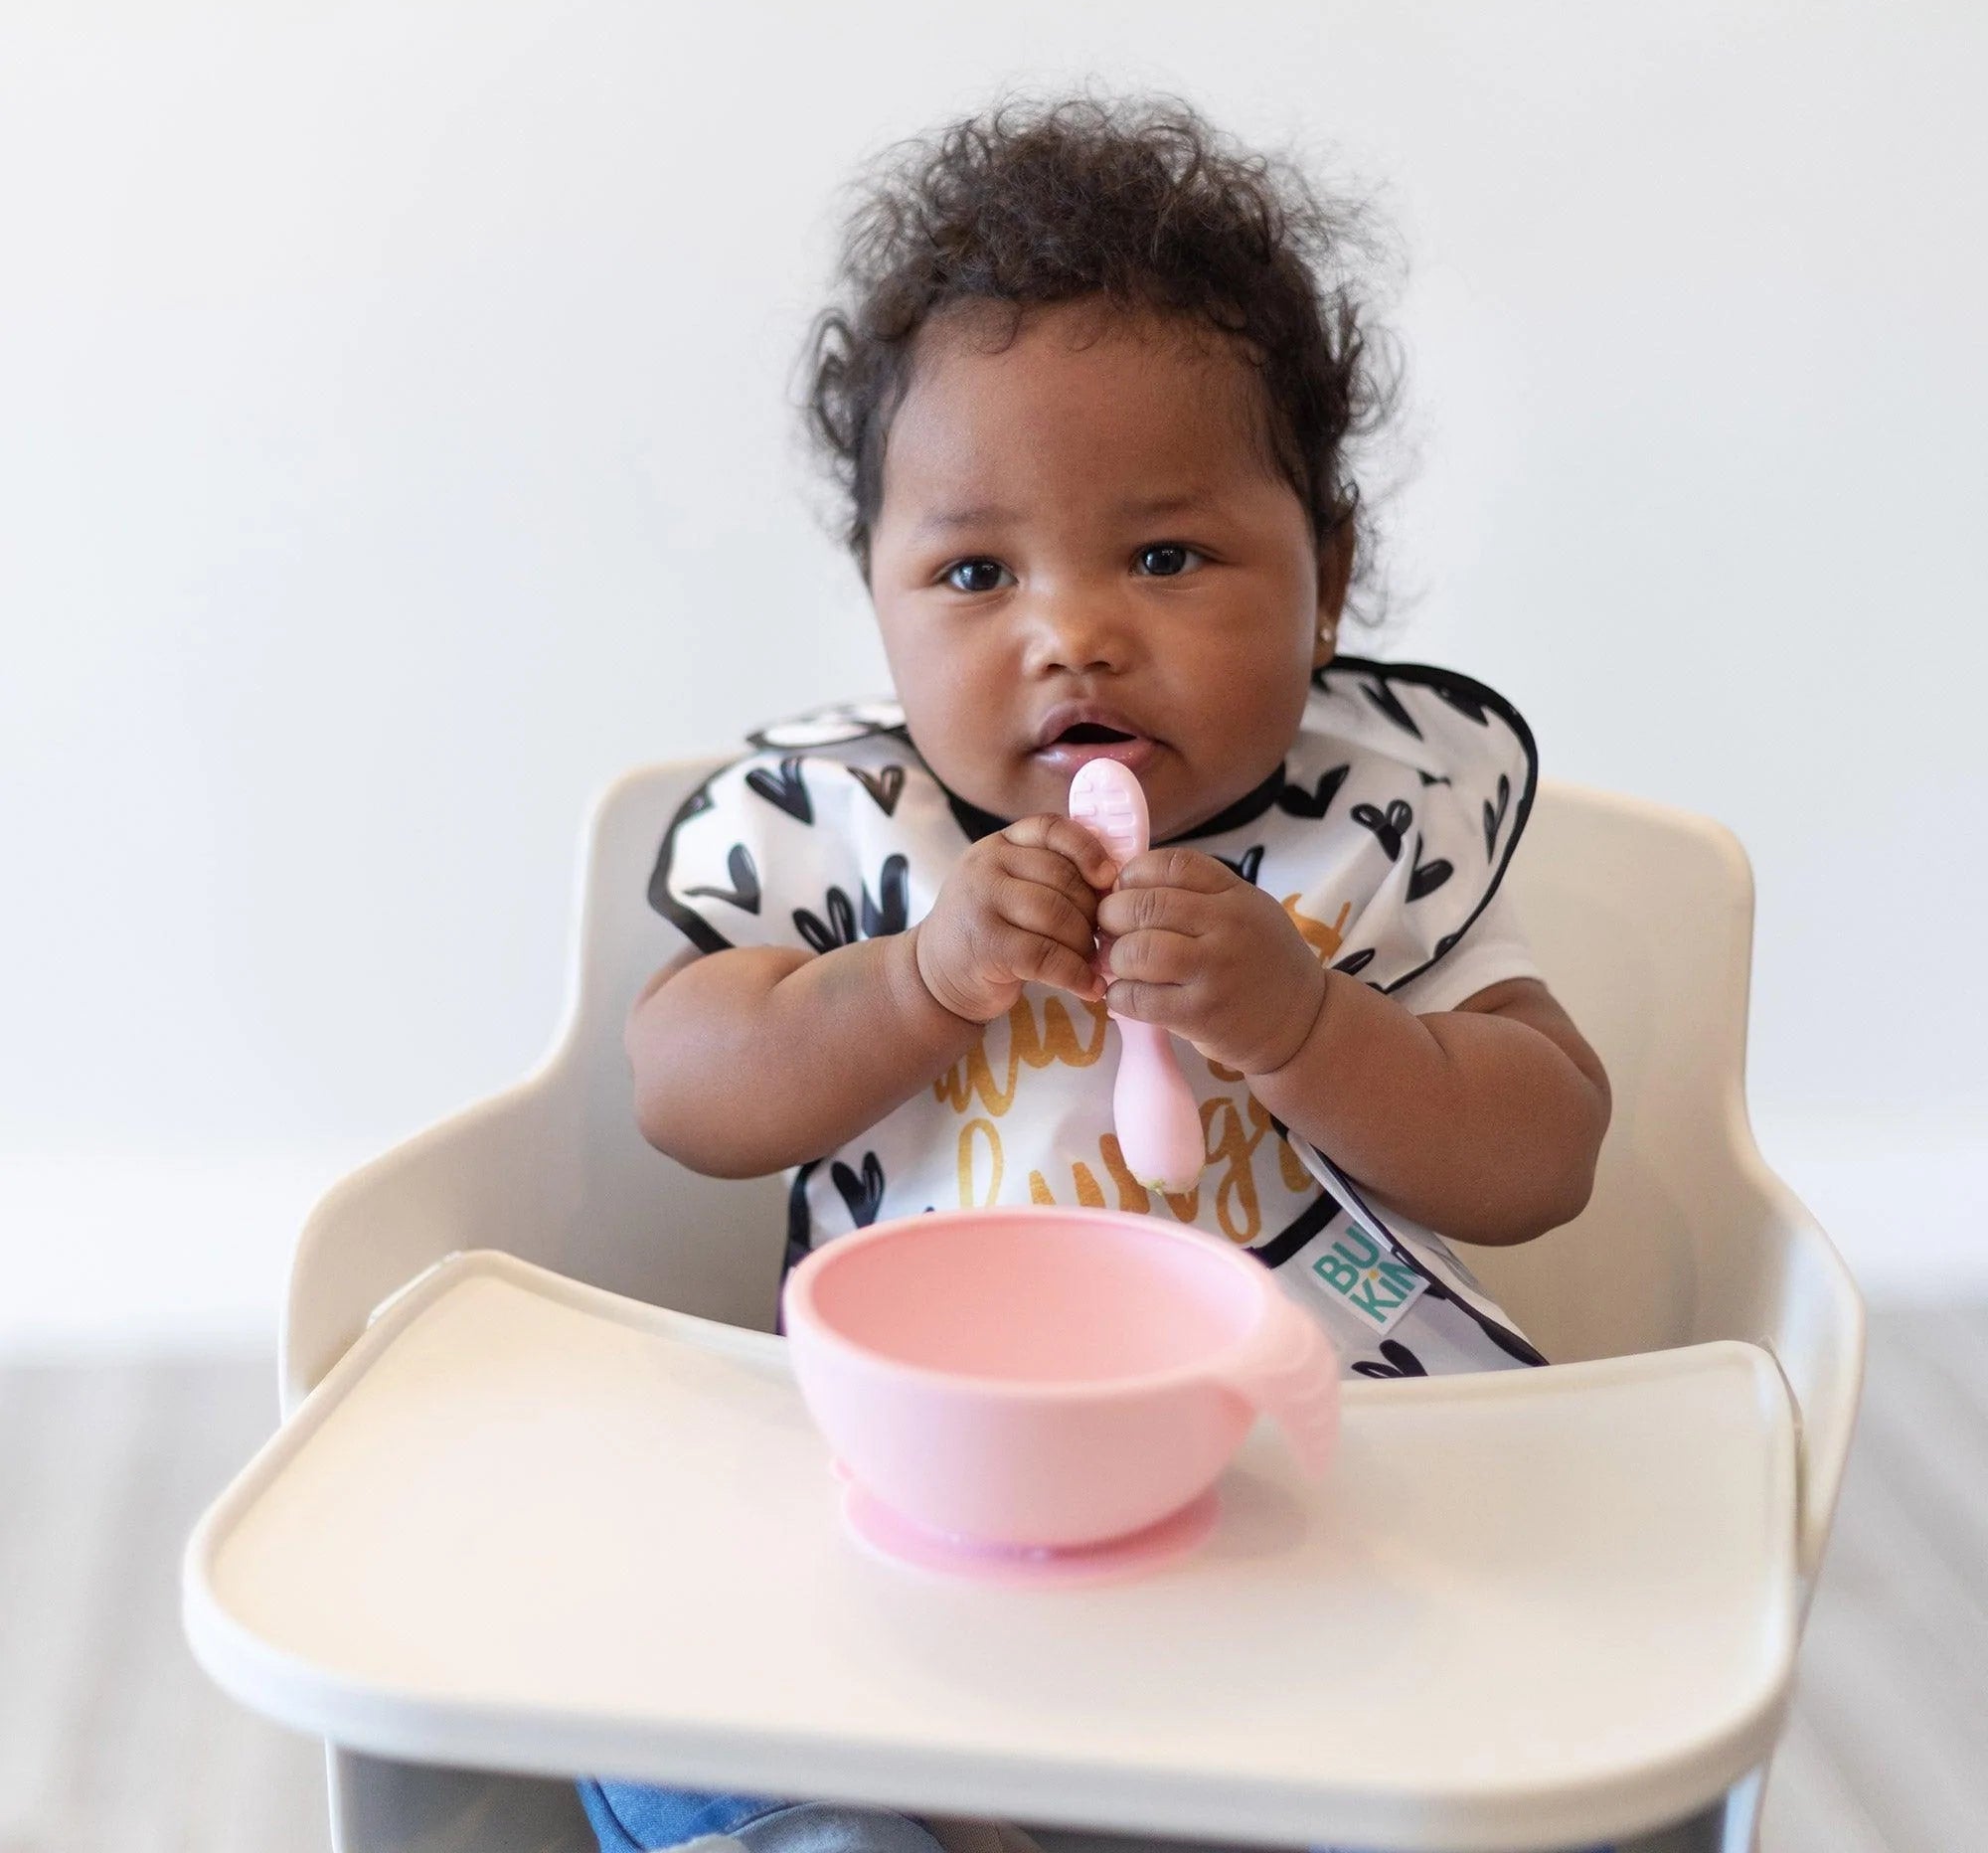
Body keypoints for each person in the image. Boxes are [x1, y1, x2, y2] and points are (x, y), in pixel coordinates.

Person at [580, 92, 1615, 1853]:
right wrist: (911, 983)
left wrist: (1302, 1021)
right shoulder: (853, 841)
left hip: (1298, 1517)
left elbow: (1543, 1149)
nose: (1072, 627)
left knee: (1551, 1726)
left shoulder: (1372, 834)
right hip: (921, 1512)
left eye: (1163, 553)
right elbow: (686, 1089)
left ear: (1328, 576)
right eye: (976, 569)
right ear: (881, 598)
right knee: (645, 1704)